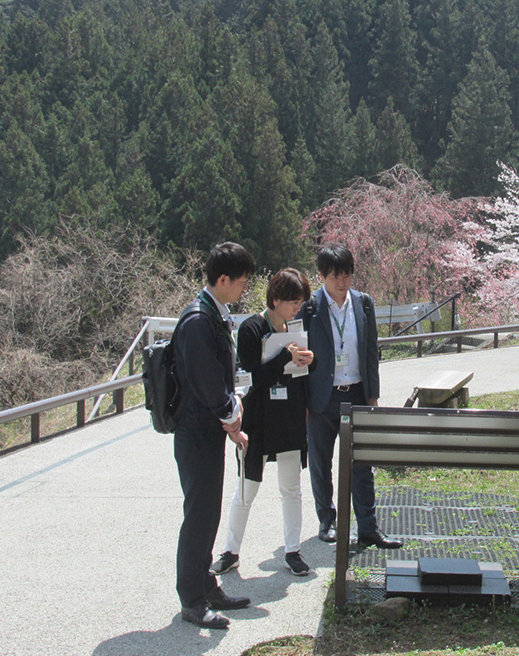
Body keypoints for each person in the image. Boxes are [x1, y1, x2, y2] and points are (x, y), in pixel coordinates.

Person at [211, 268, 315, 578]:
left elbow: (303, 370)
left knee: (291, 487)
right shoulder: (251, 329)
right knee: (247, 487)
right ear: (276, 299)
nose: (298, 308)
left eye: (300, 303)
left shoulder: (295, 326)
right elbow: (251, 377)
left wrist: (309, 359)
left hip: (290, 416)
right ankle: (230, 551)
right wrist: (284, 357)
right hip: (258, 418)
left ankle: (293, 550)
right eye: (294, 302)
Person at [172, 241, 256, 629]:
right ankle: (191, 598)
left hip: (207, 432)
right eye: (240, 282)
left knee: (207, 513)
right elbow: (207, 385)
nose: (243, 289)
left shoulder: (212, 313)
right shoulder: (197, 320)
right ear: (222, 280)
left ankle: (205, 585)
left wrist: (231, 419)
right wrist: (232, 414)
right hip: (196, 432)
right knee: (200, 515)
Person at [298, 244, 402, 549]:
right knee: (321, 462)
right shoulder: (309, 307)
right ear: (321, 276)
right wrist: (302, 402)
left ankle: (368, 527)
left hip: (356, 392)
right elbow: (299, 359)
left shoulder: (364, 304)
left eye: (346, 275)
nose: (341, 282)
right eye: (334, 276)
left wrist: (373, 397)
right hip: (321, 397)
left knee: (362, 463)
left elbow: (371, 354)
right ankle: (326, 521)